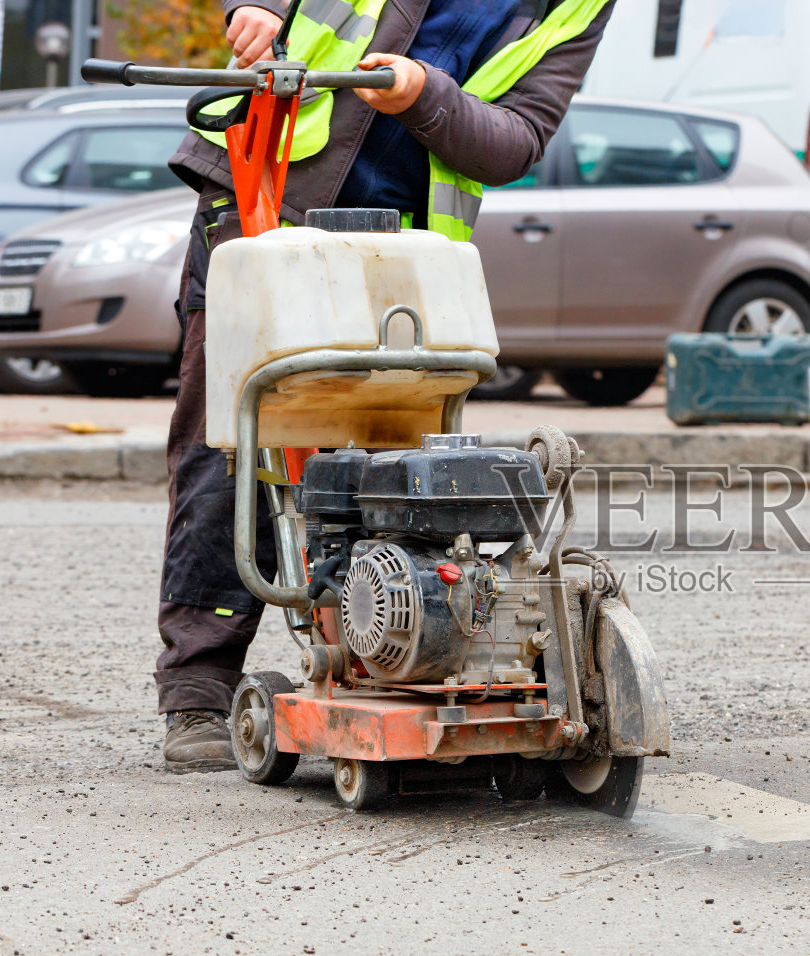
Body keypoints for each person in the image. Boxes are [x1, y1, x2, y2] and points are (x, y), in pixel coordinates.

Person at [156, 0, 614, 772]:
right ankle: (198, 689)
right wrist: (258, 8)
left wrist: (423, 95)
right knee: (234, 439)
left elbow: (518, 139)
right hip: (266, 193)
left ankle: (379, 656)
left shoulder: (577, 8)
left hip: (405, 248)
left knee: (388, 465)